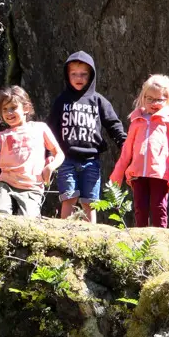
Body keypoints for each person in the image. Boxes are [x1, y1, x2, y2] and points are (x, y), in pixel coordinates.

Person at [47, 51, 127, 222]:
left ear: (91, 75)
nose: (79, 78)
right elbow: (51, 129)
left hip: (91, 159)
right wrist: (48, 155)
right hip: (66, 158)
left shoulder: (99, 101)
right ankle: (64, 232)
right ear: (67, 76)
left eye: (84, 74)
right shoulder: (62, 101)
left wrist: (124, 143)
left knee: (90, 201)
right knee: (68, 197)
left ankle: (91, 233)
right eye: (74, 74)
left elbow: (113, 124)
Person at [110, 74, 169, 228]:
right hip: (137, 173)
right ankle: (141, 238)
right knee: (140, 208)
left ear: (168, 99)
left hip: (160, 173)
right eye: (149, 98)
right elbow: (126, 152)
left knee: (158, 207)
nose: (154, 103)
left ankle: (160, 239)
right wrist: (116, 176)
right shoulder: (137, 121)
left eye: (159, 99)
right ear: (143, 98)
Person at [0, 86, 64, 217]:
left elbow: (59, 153)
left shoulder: (40, 128)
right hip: (6, 183)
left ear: (26, 108)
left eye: (13, 108)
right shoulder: (0, 136)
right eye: (5, 109)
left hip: (32, 186)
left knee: (28, 219)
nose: (8, 113)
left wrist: (50, 167)